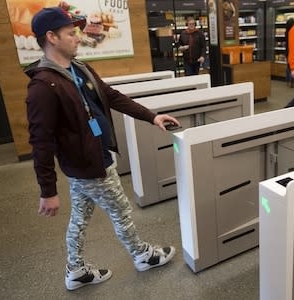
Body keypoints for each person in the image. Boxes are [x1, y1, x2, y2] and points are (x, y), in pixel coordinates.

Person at [25, 7, 180, 291]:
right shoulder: (42, 87)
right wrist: (47, 190)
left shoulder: (79, 68)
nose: (77, 37)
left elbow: (111, 96)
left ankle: (76, 270)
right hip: (90, 165)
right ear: (51, 37)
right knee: (121, 210)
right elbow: (40, 141)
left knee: (80, 218)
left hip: (90, 160)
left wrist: (151, 116)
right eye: (70, 33)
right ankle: (143, 255)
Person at [285, 18, 294, 88]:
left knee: (288, 67)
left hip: (287, 50)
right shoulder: (293, 31)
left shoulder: (286, 32)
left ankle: (288, 81)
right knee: (293, 67)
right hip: (292, 50)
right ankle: (292, 82)